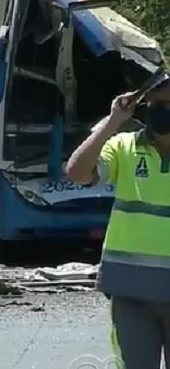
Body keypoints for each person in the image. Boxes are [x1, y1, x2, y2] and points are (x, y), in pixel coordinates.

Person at [65, 77, 170, 369]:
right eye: (157, 104)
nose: (163, 111)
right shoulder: (124, 147)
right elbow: (76, 173)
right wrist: (112, 123)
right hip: (132, 295)